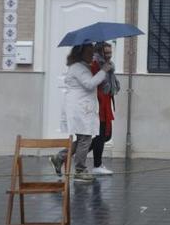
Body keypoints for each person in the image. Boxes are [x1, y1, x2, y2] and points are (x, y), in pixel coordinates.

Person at [50, 43, 112, 182]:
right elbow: (89, 84)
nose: (92, 55)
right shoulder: (78, 67)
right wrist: (103, 71)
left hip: (81, 107)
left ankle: (60, 157)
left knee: (84, 140)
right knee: (85, 139)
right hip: (80, 108)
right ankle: (80, 170)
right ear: (80, 53)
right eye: (89, 52)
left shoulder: (81, 66)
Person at [88, 41, 119, 175]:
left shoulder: (108, 66)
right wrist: (103, 70)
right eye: (106, 53)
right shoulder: (95, 64)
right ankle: (97, 165)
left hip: (106, 101)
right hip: (99, 102)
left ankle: (66, 154)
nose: (109, 55)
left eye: (110, 52)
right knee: (101, 135)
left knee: (106, 135)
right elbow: (94, 82)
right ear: (100, 52)